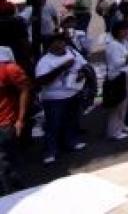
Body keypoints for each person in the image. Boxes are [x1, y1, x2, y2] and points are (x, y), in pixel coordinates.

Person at [35, 32, 87, 164]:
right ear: (49, 45)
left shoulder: (71, 52)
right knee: (53, 125)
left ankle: (71, 143)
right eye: (57, 42)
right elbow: (41, 80)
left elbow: (83, 65)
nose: (61, 44)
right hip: (54, 99)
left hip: (72, 93)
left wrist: (81, 73)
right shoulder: (45, 61)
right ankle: (50, 152)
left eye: (62, 41)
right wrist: (62, 67)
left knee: (71, 121)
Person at [0, 46, 29, 193]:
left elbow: (24, 88)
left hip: (5, 125)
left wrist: (20, 119)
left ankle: (12, 195)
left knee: (6, 164)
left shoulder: (9, 68)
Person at [104, 19, 128, 140]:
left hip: (125, 76)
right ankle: (113, 131)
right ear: (117, 31)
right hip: (116, 78)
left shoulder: (124, 42)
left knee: (124, 103)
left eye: (126, 29)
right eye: (123, 30)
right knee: (117, 105)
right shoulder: (113, 45)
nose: (125, 32)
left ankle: (121, 125)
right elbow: (117, 63)